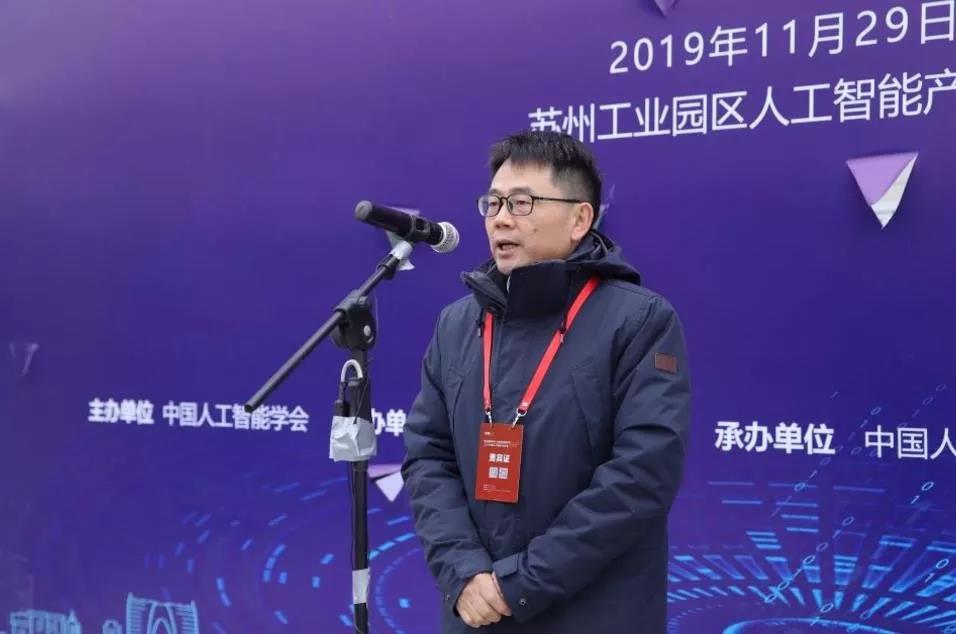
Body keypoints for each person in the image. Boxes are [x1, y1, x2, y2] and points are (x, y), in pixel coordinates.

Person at [402, 130, 691, 633]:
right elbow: (428, 454)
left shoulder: (639, 320)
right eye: (493, 203)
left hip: (594, 614)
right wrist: (463, 571)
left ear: (580, 219)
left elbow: (641, 475)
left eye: (522, 202)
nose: (501, 218)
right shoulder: (457, 323)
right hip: (475, 611)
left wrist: (519, 583)